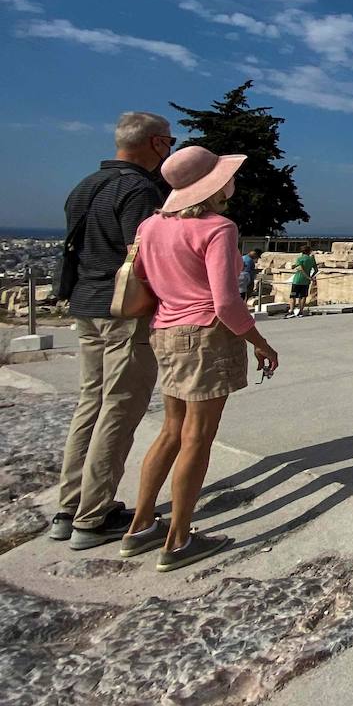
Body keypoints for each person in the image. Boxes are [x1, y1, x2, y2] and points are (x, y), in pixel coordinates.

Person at [120, 146, 279, 571]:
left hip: (165, 332)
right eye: (227, 176)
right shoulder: (218, 228)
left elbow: (144, 280)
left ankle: (139, 527)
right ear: (213, 186)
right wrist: (260, 342)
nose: (232, 182)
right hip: (206, 335)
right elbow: (226, 302)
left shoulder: (150, 225)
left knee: (171, 431)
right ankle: (178, 540)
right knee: (197, 438)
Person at [52, 112, 173, 549]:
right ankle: (93, 516)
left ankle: (68, 509)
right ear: (157, 144)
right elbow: (139, 256)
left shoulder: (83, 186)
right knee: (119, 408)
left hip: (84, 305)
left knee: (91, 404)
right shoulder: (138, 189)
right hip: (122, 311)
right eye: (170, 142)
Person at [286, 246, 317, 318]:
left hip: (297, 280)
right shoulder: (311, 259)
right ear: (309, 251)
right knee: (303, 296)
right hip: (306, 282)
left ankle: (292, 311)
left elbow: (300, 269)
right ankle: (301, 311)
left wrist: (307, 276)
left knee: (292, 296)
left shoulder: (300, 258)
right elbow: (316, 270)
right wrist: (311, 277)